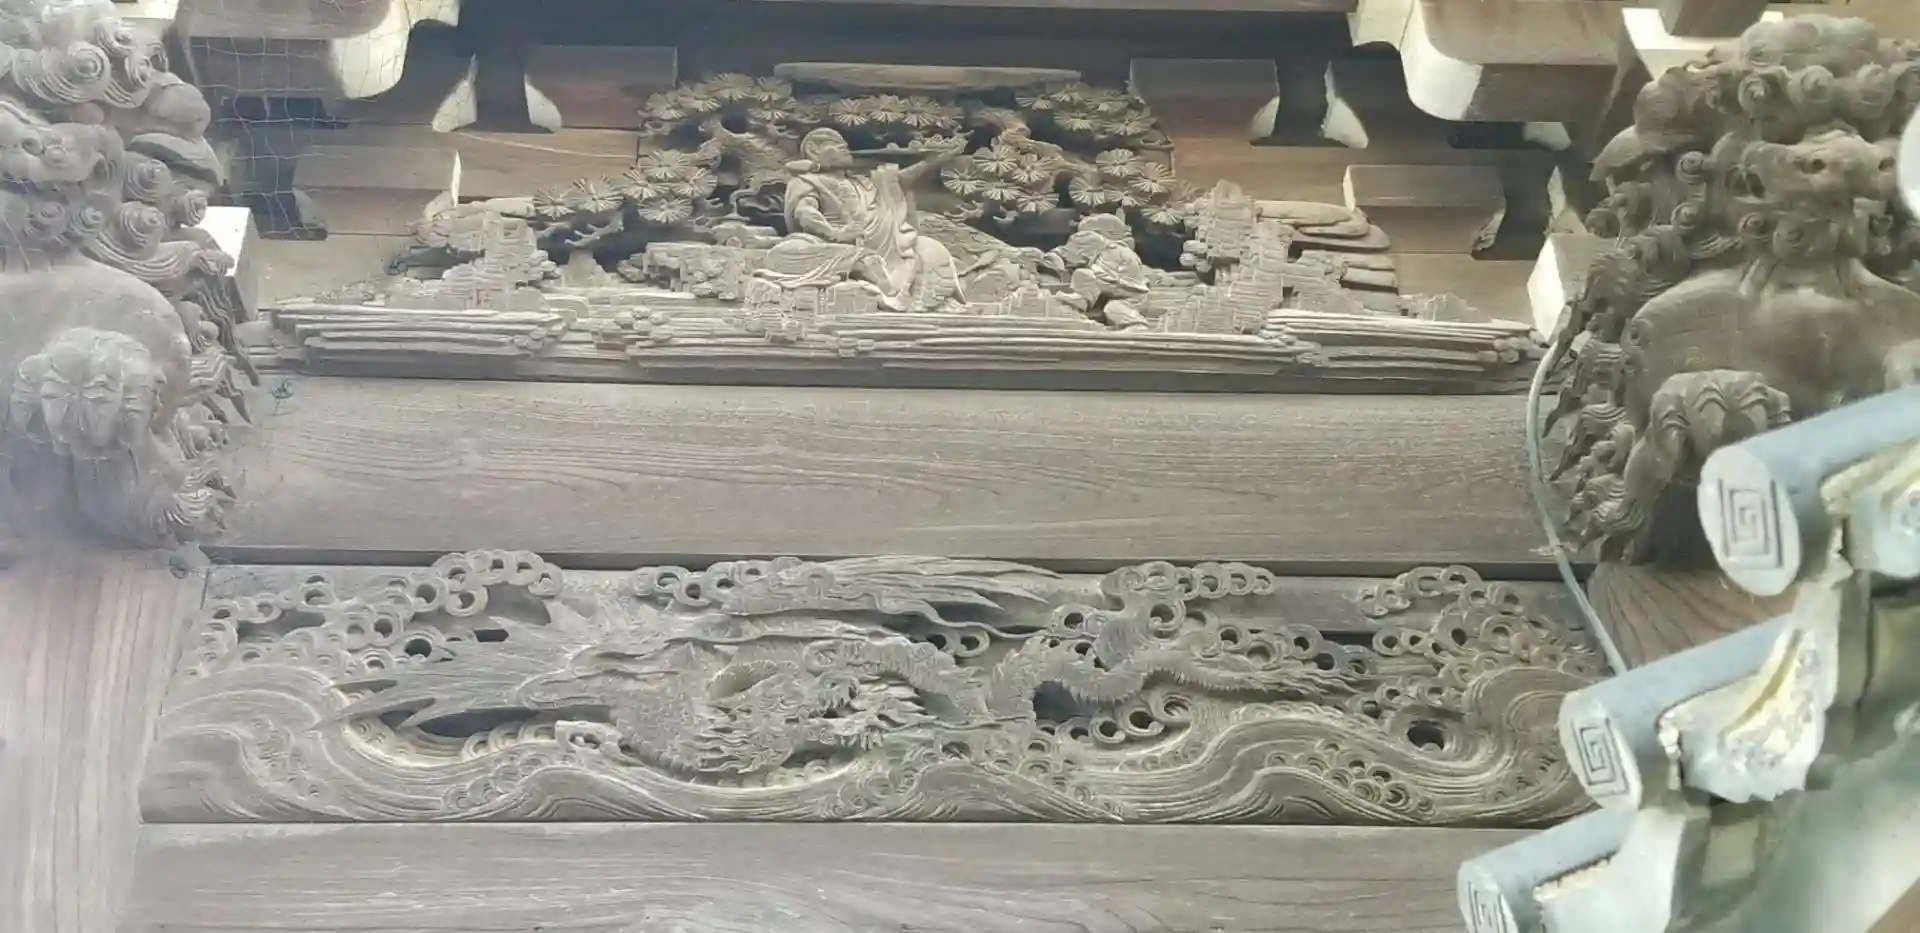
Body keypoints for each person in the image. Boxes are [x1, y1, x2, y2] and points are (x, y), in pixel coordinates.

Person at [756, 128, 965, 312]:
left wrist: (933, 161)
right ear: (814, 151)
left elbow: (898, 181)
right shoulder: (807, 181)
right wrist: (836, 234)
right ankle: (892, 296)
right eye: (836, 145)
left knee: (929, 249)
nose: (845, 148)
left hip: (876, 242)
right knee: (799, 252)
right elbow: (806, 213)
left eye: (845, 146)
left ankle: (922, 299)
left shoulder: (861, 183)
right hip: (829, 242)